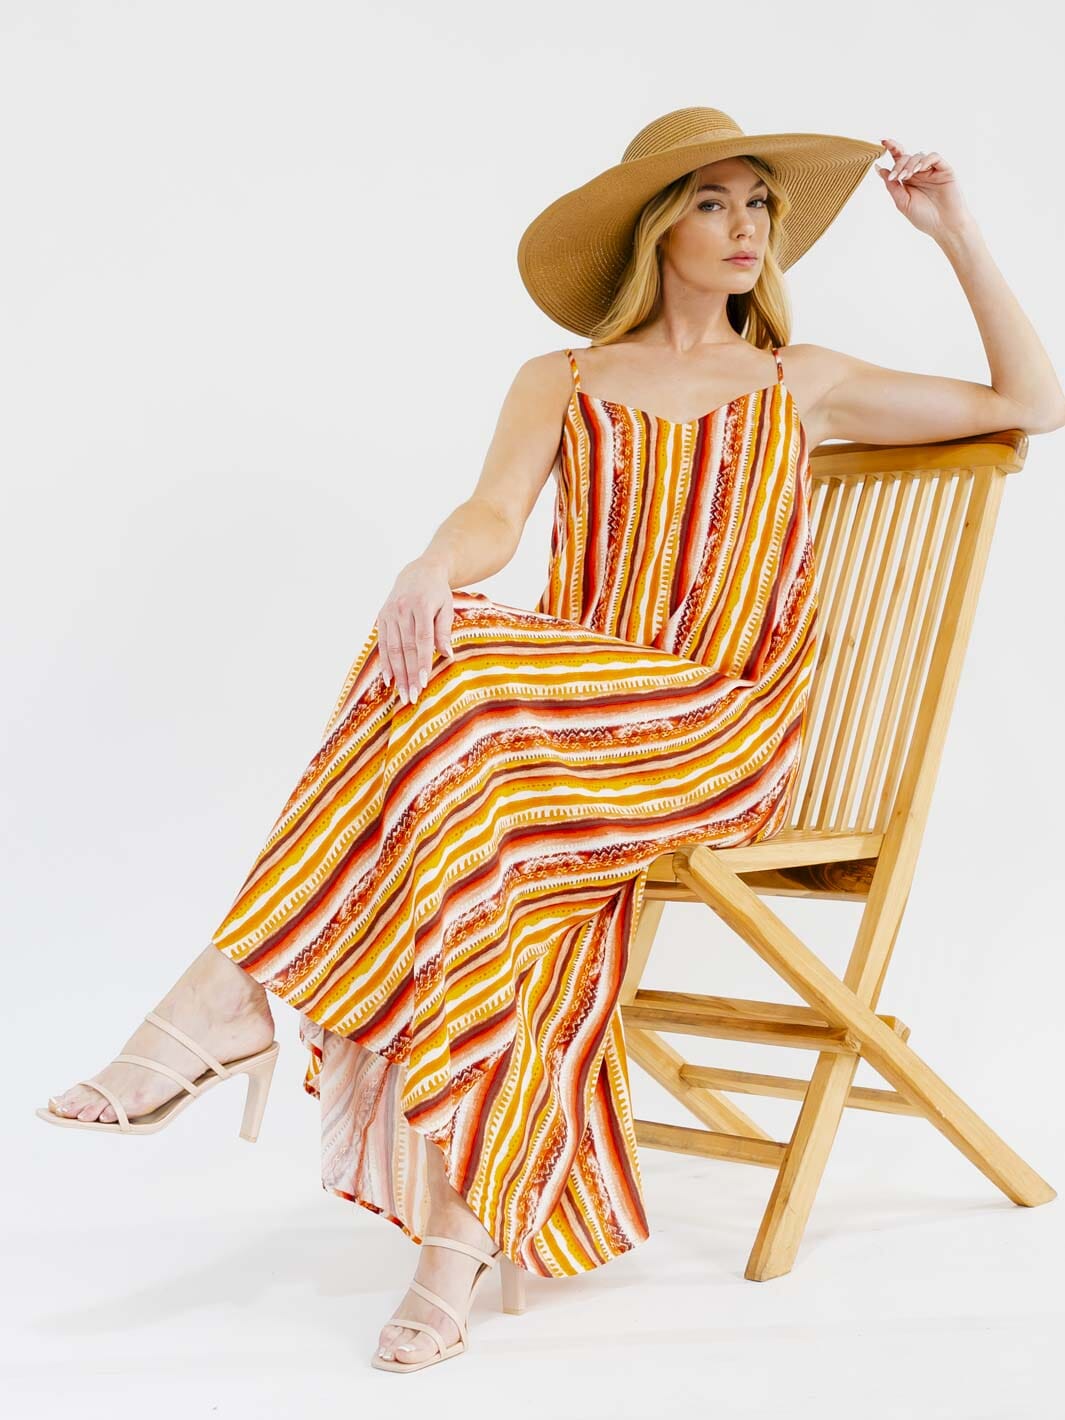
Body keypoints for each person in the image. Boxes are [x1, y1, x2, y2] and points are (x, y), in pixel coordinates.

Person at [36, 106, 1065, 1374]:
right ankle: (456, 1246)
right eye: (712, 202)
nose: (744, 226)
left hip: (713, 731)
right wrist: (429, 562)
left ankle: (235, 989)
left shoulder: (802, 380)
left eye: (758, 203)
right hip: (553, 745)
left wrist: (955, 230)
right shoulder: (562, 379)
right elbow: (492, 514)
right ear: (656, 229)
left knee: (464, 672)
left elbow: (1036, 402)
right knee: (485, 787)